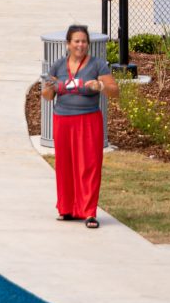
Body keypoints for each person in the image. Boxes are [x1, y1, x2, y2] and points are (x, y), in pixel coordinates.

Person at [39, 24, 117, 228]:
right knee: (65, 165)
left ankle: (89, 212)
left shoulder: (97, 65)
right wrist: (49, 86)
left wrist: (99, 86)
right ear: (68, 44)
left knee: (89, 164)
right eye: (76, 41)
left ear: (88, 44)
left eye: (84, 41)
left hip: (88, 120)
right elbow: (47, 96)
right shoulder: (57, 66)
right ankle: (67, 209)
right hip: (62, 120)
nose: (80, 45)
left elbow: (114, 90)